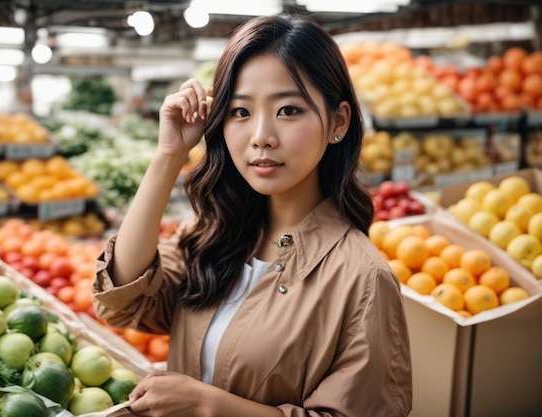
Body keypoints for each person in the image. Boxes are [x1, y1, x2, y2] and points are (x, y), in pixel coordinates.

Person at [93, 13, 413, 417]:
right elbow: (123, 300)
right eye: (241, 112)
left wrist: (209, 405)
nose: (261, 135)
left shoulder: (363, 279)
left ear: (338, 122)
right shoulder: (211, 234)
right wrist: (169, 156)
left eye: (289, 110)